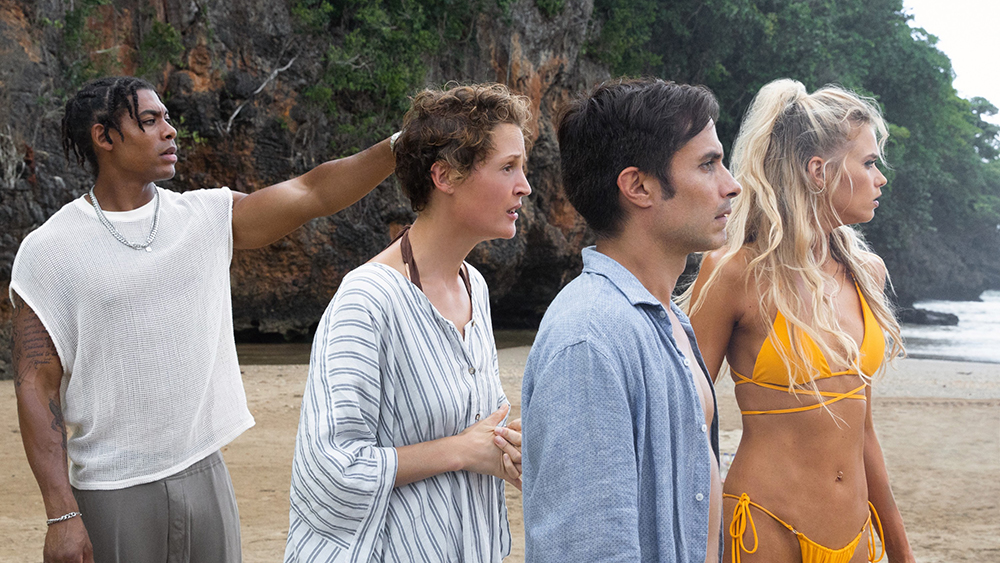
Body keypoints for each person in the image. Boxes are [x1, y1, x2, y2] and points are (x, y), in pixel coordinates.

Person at [10, 75, 396, 563]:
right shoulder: (49, 250)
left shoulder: (205, 217)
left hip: (206, 474)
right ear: (103, 137)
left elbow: (312, 192)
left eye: (168, 119)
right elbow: (35, 384)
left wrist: (399, 147)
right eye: (149, 121)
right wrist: (62, 515)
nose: (170, 131)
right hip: (112, 491)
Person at [284, 82, 530, 563]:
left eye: (522, 167)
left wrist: (506, 447)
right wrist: (462, 451)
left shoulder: (473, 285)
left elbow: (478, 428)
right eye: (508, 167)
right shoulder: (367, 300)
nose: (524, 184)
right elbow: (329, 469)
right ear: (445, 176)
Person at [687, 79, 916, 563]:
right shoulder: (737, 273)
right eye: (870, 163)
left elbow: (864, 432)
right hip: (764, 526)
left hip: (854, 535)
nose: (881, 179)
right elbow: (684, 415)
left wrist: (901, 552)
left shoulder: (867, 273)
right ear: (818, 170)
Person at [520, 78, 741, 562]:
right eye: (708, 164)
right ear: (638, 186)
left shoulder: (671, 323)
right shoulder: (590, 336)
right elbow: (586, 548)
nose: (732, 183)